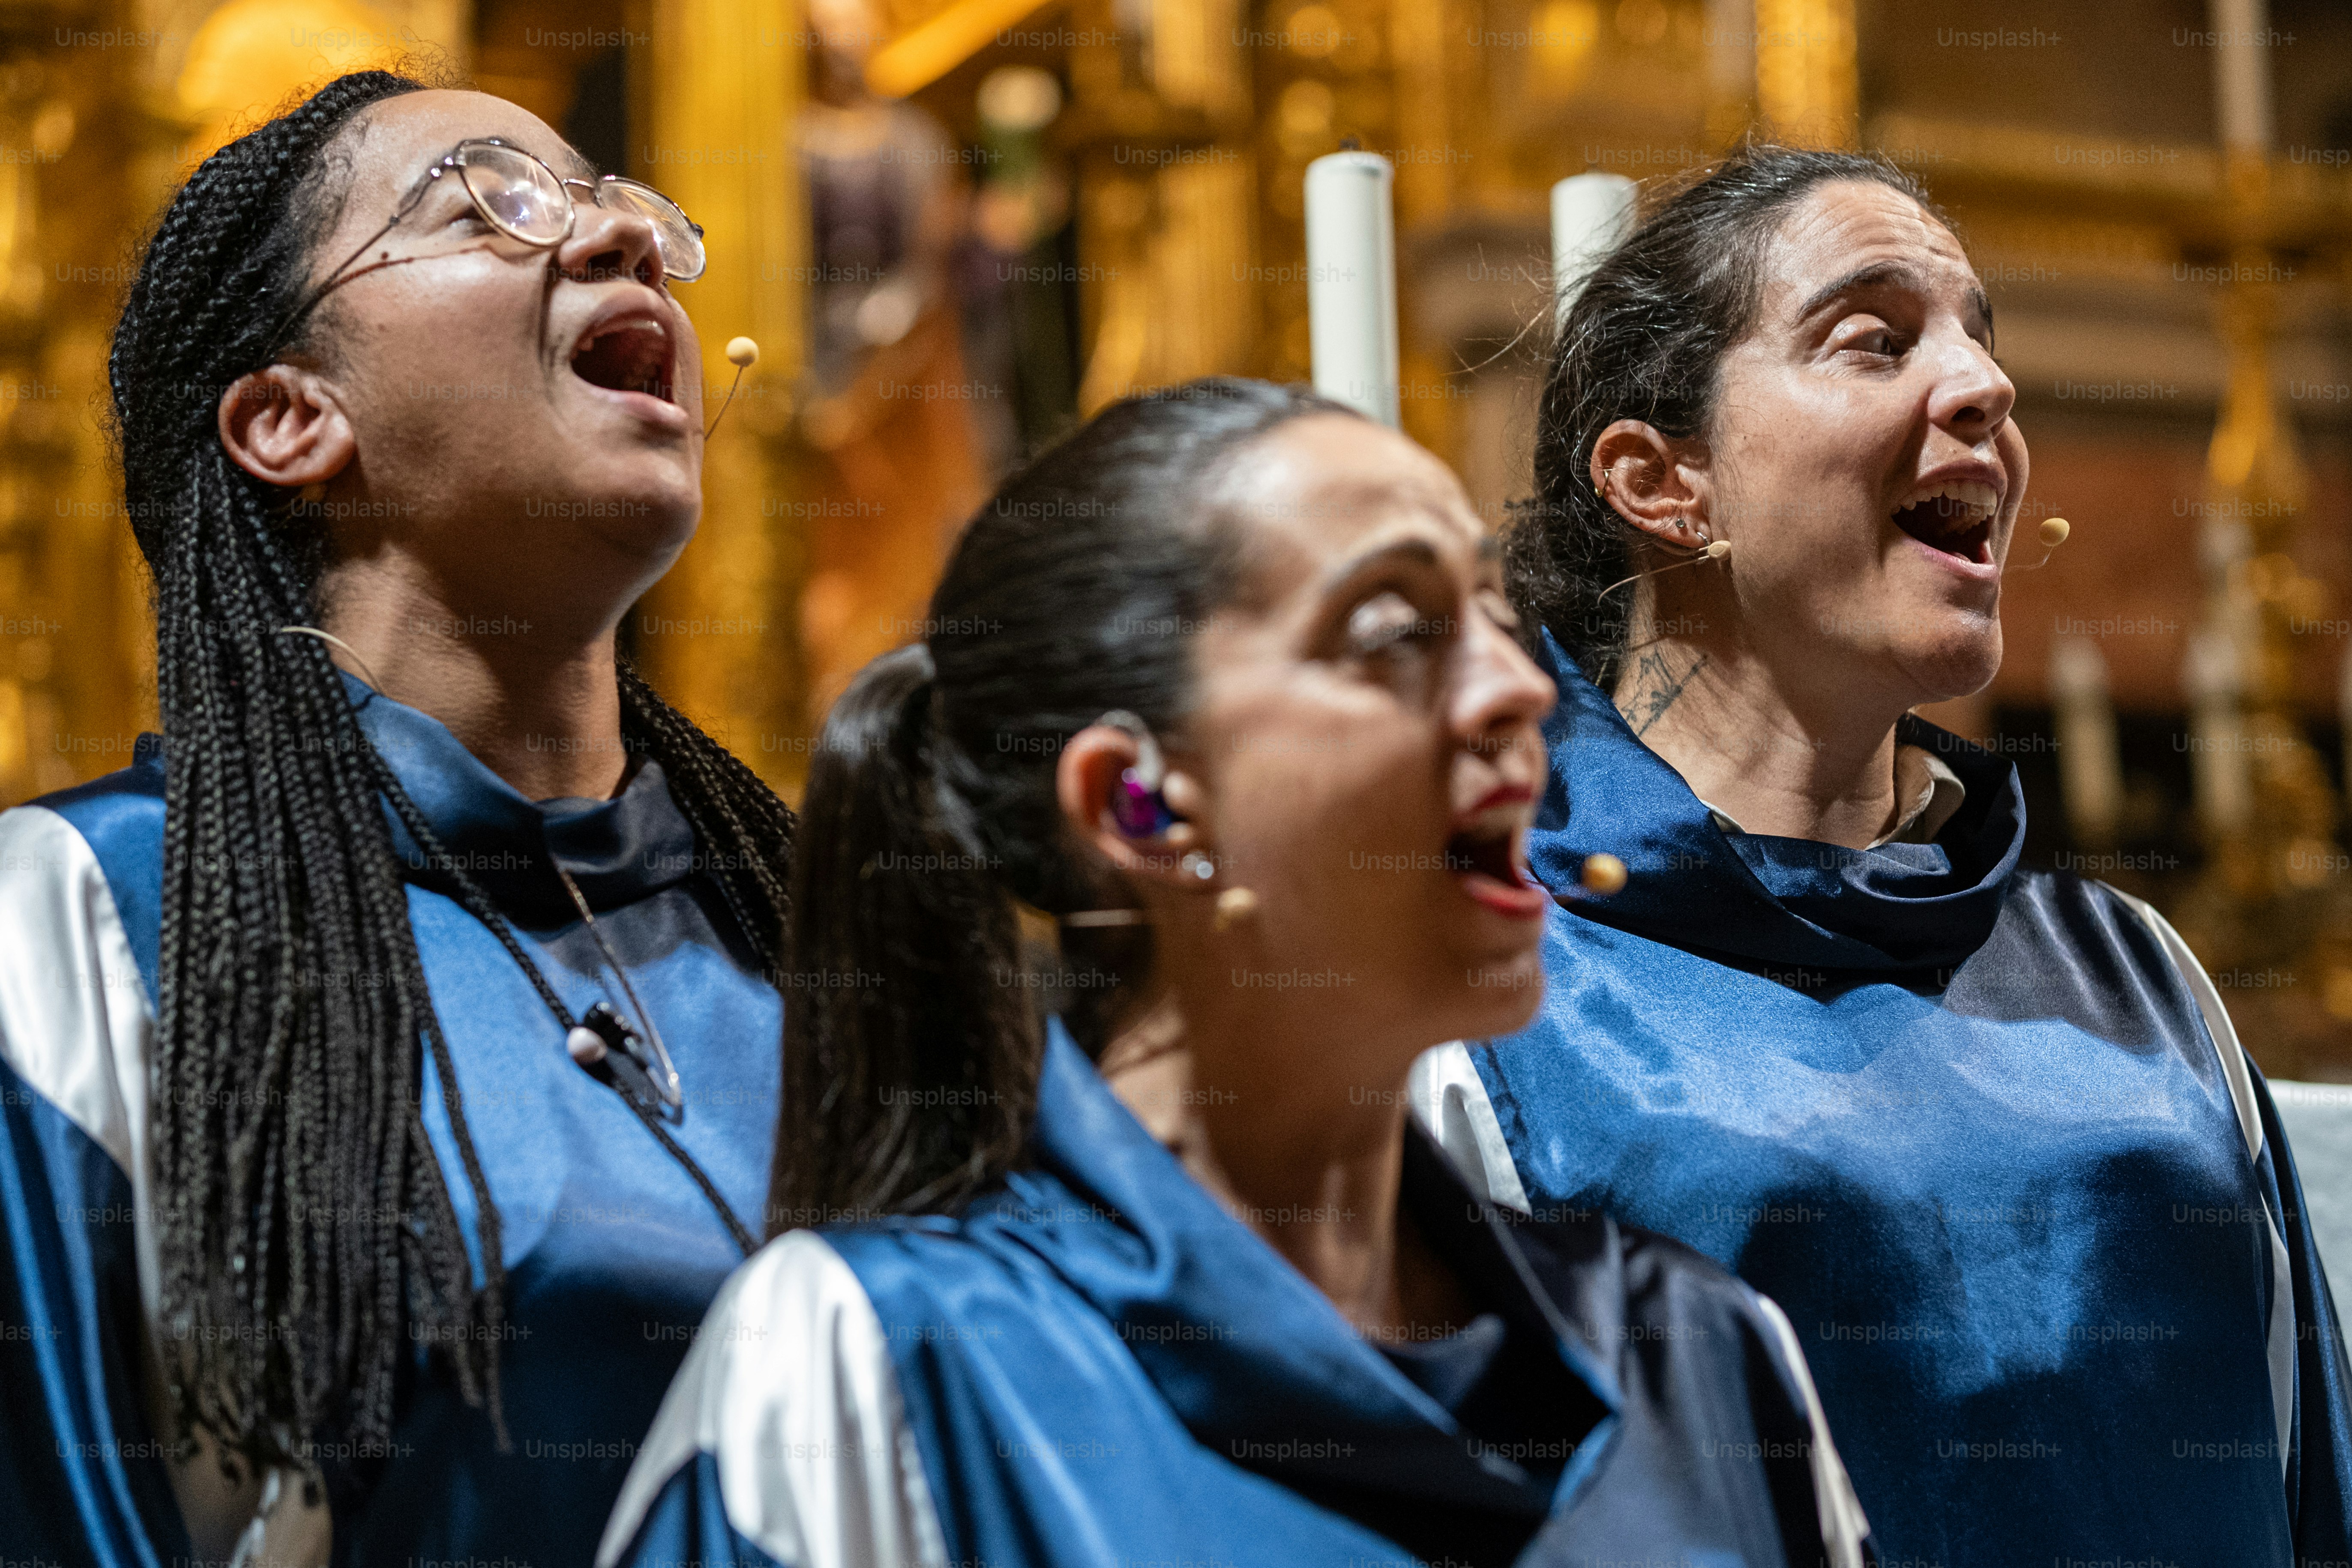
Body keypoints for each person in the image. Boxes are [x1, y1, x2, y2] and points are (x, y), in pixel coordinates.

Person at [597, 379, 1873, 1568]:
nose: (1520, 689)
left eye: (1494, 618)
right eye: (1393, 629)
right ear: (1142, 804)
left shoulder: (1700, 1354)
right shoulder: (869, 1365)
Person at [1411, 144, 2352, 1566]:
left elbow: (2308, 1485)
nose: (1984, 387)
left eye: (1981, 334)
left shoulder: (2132, 975)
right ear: (1664, 482)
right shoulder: (1493, 1008)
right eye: (1874, 338)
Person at [0, 72, 796, 1565]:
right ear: (293, 418)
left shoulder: (804, 928)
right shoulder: (82, 922)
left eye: (631, 211)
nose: (618, 240)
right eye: (495, 200)